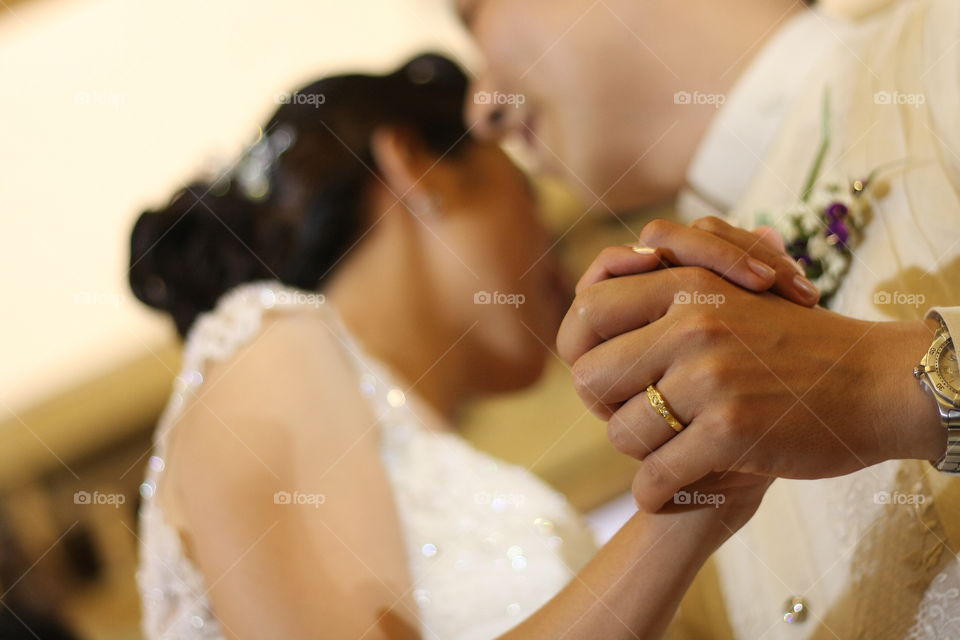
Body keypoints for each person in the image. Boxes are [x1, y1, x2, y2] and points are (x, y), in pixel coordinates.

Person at [129, 54, 800, 639]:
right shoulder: (273, 342)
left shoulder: (396, 435)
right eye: (530, 194)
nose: (556, 246)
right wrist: (698, 499)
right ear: (420, 167)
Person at [458, 0, 960, 636]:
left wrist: (887, 382)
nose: (478, 112)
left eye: (472, 14)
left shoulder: (942, 39)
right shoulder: (682, 500)